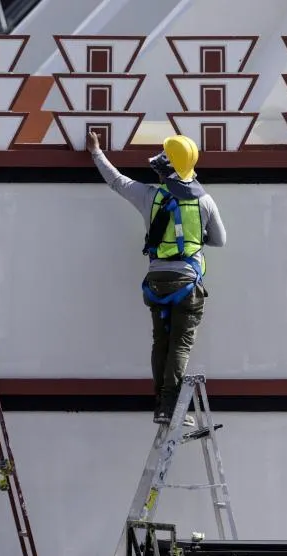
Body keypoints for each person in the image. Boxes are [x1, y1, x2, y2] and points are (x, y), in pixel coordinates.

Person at [86, 131, 227, 426]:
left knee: (161, 341)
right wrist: (194, 237)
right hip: (187, 283)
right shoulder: (205, 202)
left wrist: (96, 152)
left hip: (156, 282)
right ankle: (170, 406)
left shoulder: (150, 196)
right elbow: (219, 240)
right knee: (180, 345)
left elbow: (116, 181)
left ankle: (162, 405)